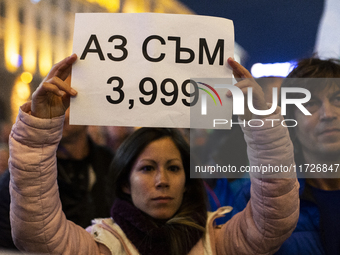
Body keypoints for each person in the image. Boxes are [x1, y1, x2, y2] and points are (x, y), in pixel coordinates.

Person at [8, 54, 299, 254]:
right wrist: (38, 131)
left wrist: (263, 124)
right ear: (124, 181)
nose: (162, 180)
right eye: (147, 168)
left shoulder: (220, 241)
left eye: (174, 168)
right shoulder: (102, 246)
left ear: (187, 180)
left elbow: (275, 220)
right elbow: (38, 236)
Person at [233, 57, 340, 255]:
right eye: (310, 104)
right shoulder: (256, 200)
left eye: (338, 99)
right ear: (292, 121)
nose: (328, 114)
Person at [0, 93, 114, 250]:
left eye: (69, 104)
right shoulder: (20, 176)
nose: (61, 112)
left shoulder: (112, 164)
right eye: (51, 104)